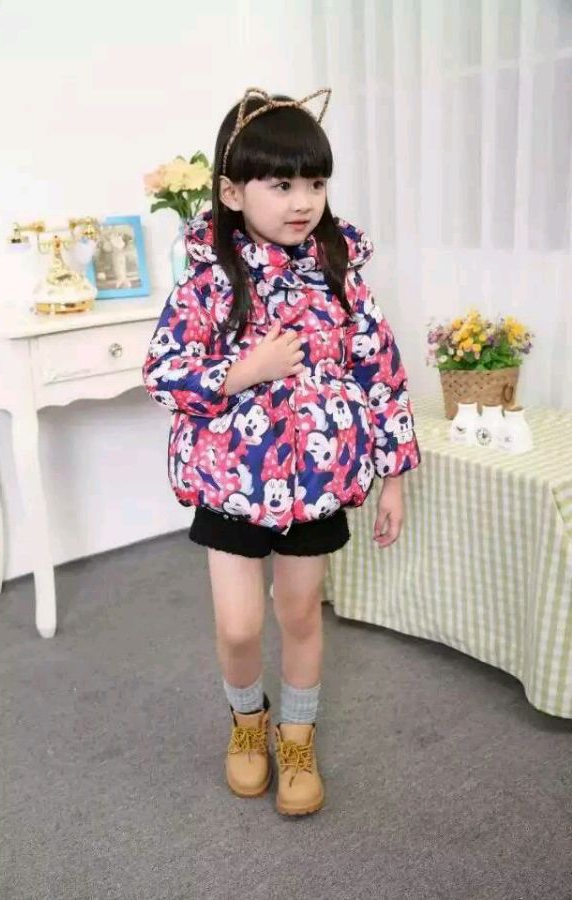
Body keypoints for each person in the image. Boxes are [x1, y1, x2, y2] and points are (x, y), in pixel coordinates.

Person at [142, 86, 422, 816]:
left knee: (299, 616)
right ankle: (247, 721)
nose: (303, 202)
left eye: (316, 183)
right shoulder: (208, 280)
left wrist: (393, 477)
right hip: (230, 480)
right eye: (281, 184)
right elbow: (163, 372)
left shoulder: (341, 277)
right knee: (239, 626)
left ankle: (296, 735)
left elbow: (381, 373)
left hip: (318, 481)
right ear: (232, 193)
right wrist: (245, 370)